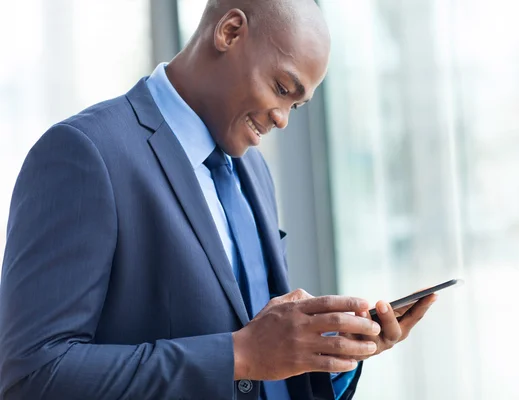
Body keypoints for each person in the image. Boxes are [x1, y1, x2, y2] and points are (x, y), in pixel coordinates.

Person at [0, 0, 437, 399]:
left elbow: (257, 373)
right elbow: (32, 374)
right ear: (229, 32)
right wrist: (237, 355)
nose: (283, 120)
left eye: (298, 105)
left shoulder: (252, 172)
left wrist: (330, 352)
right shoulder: (84, 153)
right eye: (283, 88)